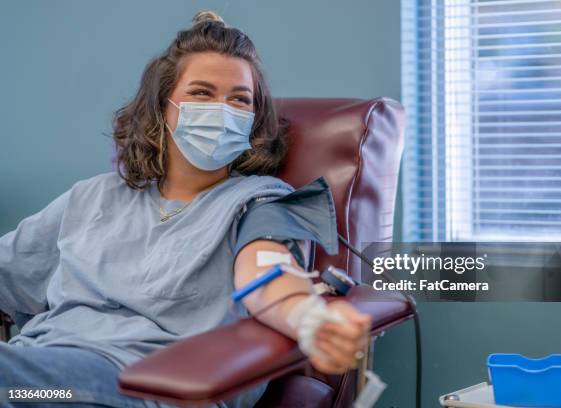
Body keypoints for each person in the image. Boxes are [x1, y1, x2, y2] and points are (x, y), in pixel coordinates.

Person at [0, 10, 371, 408]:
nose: (223, 110)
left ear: (253, 117)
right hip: (38, 369)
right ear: (163, 107)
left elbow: (268, 274)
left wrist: (308, 317)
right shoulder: (92, 197)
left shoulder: (262, 201)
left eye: (239, 99)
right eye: (201, 93)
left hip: (136, 383)